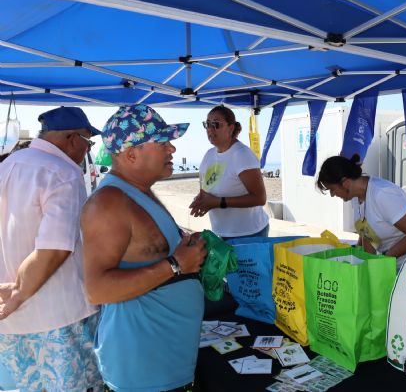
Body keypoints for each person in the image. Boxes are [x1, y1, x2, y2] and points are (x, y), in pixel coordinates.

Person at [81, 104, 207, 392]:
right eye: (162, 143)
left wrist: (184, 244)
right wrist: (176, 265)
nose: (172, 150)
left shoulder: (139, 192)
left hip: (165, 363)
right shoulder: (109, 204)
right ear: (131, 154)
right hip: (142, 372)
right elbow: (97, 289)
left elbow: (147, 249)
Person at [0, 106, 103, 391]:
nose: (86, 150)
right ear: (73, 138)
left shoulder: (8, 164)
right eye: (88, 142)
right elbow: (54, 249)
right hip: (59, 316)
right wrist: (19, 294)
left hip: (9, 319)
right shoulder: (64, 173)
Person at [317, 154, 406, 269]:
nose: (333, 195)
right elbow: (368, 237)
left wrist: (382, 259)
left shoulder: (382, 194)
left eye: (332, 189)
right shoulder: (355, 198)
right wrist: (357, 259)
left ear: (345, 182)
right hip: (399, 261)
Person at [190, 105, 269, 239]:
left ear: (231, 128)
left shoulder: (242, 155)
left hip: (249, 234)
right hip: (220, 233)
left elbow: (260, 198)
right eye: (207, 124)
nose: (210, 129)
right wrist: (201, 201)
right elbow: (205, 189)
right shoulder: (209, 155)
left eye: (216, 124)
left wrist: (218, 202)